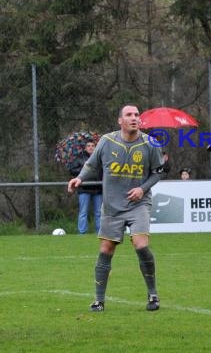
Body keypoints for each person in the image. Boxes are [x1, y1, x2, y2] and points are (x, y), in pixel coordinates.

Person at [67, 104, 165, 312]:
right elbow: (92, 165)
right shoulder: (106, 141)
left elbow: (157, 172)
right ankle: (99, 300)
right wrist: (79, 178)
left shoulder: (150, 144)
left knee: (140, 245)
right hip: (112, 205)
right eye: (129, 115)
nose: (134, 118)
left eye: (137, 115)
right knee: (106, 249)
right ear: (120, 120)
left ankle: (153, 294)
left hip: (138, 203)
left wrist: (142, 188)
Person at [69, 141, 103, 234]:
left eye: (93, 146)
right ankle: (82, 233)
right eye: (88, 146)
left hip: (98, 188)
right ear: (85, 148)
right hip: (84, 188)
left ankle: (99, 232)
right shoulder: (79, 158)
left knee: (99, 213)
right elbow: (72, 170)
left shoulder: (100, 157)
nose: (91, 147)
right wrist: (84, 169)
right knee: (83, 212)